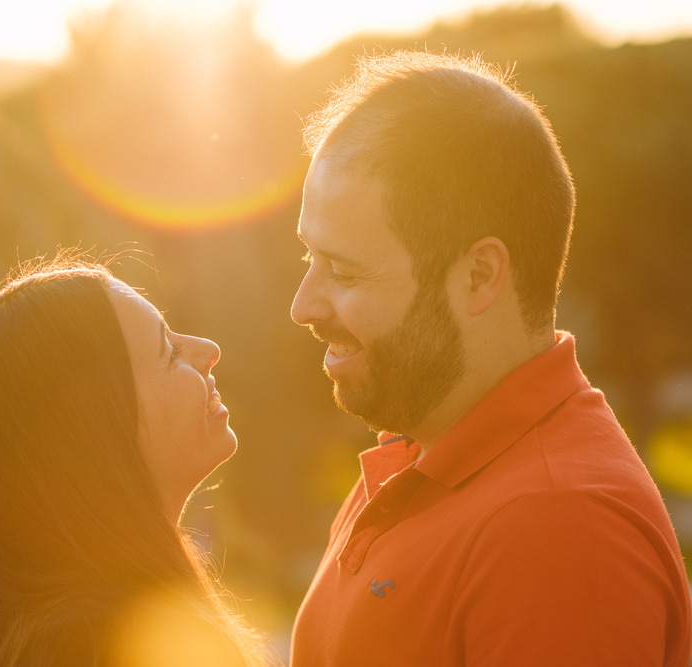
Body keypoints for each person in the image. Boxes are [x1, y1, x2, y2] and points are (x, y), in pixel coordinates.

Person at [289, 51, 691, 665]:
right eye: (308, 259)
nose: (303, 305)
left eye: (343, 271)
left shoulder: (556, 529)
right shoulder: (426, 456)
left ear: (479, 276)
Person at [0, 255, 270, 666]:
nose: (209, 350)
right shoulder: (109, 645)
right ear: (97, 427)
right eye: (169, 351)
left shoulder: (63, 636)